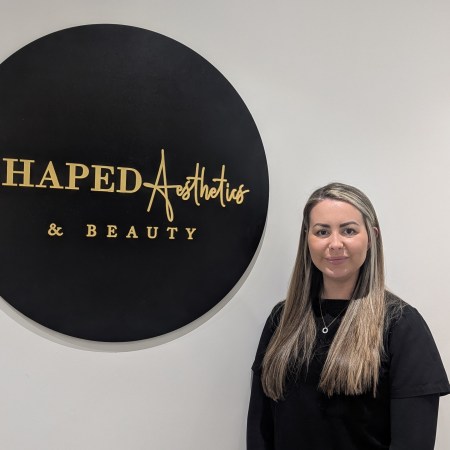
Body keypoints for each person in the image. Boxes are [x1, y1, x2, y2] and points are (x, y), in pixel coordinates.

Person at [247, 182, 450, 450]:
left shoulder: (401, 325)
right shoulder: (282, 319)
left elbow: (414, 442)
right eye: (322, 231)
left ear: (371, 237)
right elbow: (260, 431)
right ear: (307, 238)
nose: (335, 243)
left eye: (348, 230)